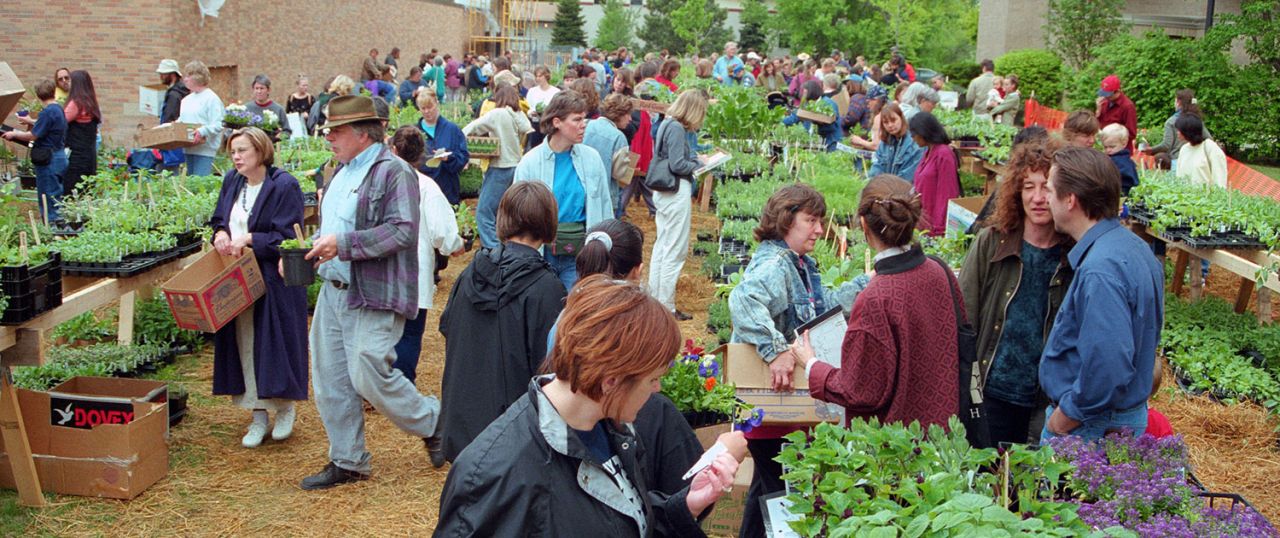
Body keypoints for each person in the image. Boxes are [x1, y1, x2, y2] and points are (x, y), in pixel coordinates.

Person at [435, 276, 744, 538]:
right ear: (611, 381)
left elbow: (614, 521)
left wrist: (684, 506)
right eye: (652, 379)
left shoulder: (607, 429)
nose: (657, 389)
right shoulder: (495, 478)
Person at [300, 95, 444, 489]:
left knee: (366, 372)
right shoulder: (339, 172)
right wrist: (307, 250)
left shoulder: (394, 173)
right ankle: (348, 460)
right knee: (330, 378)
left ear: (363, 134)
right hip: (333, 289)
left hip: (373, 291)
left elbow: (402, 231)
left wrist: (342, 245)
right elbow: (333, 227)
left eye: (336, 131)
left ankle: (433, 421)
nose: (329, 137)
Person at [728, 184, 867, 538]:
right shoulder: (775, 264)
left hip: (781, 410)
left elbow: (820, 308)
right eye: (812, 220)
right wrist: (775, 349)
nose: (820, 230)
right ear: (787, 220)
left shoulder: (799, 264)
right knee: (782, 495)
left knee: (767, 491)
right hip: (773, 408)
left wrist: (866, 285)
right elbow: (742, 302)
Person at [793, 174, 960, 428]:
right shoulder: (940, 271)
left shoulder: (876, 298)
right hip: (946, 436)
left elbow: (859, 391)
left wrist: (812, 364)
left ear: (863, 224)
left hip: (898, 449)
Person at [1039, 147, 1164, 442]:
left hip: (1091, 426)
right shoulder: (1133, 247)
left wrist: (1066, 416)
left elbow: (1108, 364)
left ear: (1070, 200)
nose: (1045, 198)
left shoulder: (1101, 269)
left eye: (1050, 189)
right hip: (1117, 418)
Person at [437, 181, 567, 463]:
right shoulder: (547, 288)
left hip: (463, 425)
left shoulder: (470, 273)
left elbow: (447, 328)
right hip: (513, 438)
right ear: (548, 221)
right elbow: (552, 368)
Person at [958, 139, 1074, 447]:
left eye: (1046, 187)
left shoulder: (1071, 256)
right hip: (988, 391)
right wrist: (970, 394)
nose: (1038, 198)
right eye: (1028, 187)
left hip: (1042, 400)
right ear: (1015, 193)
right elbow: (964, 323)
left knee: (1026, 486)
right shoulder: (992, 242)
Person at [208, 127, 309, 448]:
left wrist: (251, 238)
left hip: (272, 279)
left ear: (261, 152)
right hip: (237, 278)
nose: (236, 157)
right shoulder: (232, 181)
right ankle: (257, 416)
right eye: (233, 151)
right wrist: (220, 234)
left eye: (242, 151)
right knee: (245, 344)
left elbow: (288, 236)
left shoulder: (283, 185)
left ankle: (284, 408)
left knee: (273, 345)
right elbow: (218, 219)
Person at [385, 126, 463, 384]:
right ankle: (401, 387)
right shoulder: (427, 186)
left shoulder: (379, 181)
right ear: (421, 155)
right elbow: (442, 232)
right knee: (408, 333)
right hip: (413, 270)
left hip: (379, 271)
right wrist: (455, 245)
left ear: (393, 150)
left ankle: (375, 386)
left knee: (380, 331)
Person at [514, 90, 613, 291]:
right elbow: (516, 215)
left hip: (580, 255)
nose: (583, 124)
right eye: (577, 119)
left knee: (574, 312)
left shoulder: (592, 159)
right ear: (557, 122)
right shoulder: (530, 163)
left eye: (584, 119)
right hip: (541, 254)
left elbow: (605, 207)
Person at [647, 90, 709, 320]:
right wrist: (698, 163)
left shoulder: (667, 123)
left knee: (663, 246)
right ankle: (667, 306)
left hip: (664, 192)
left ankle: (657, 300)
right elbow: (678, 164)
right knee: (674, 249)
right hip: (675, 191)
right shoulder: (676, 128)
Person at [463, 85, 534, 249]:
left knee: (484, 211)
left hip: (500, 167)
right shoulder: (519, 114)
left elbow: (473, 127)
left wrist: (460, 140)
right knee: (506, 211)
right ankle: (508, 246)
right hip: (516, 166)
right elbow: (528, 130)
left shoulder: (497, 113)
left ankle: (493, 250)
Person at [4, 79, 66, 222]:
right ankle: (59, 225)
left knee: (47, 195)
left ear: (38, 96)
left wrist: (13, 134)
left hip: (48, 159)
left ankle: (51, 227)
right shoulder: (58, 109)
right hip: (59, 156)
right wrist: (30, 121)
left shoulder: (47, 112)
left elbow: (32, 135)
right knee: (56, 194)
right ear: (54, 93)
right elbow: (48, 125)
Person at [907, 112, 960, 236]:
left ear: (923, 132)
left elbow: (946, 193)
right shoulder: (928, 152)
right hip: (923, 221)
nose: (913, 138)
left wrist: (938, 228)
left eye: (914, 134)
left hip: (934, 226)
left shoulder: (943, 154)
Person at [583, 94, 634, 218]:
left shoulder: (585, 124)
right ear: (619, 114)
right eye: (627, 114)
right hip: (605, 196)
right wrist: (631, 166)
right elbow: (621, 175)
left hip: (581, 192)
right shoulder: (618, 137)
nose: (630, 119)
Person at [415, 92, 470, 205]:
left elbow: (463, 156)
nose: (427, 111)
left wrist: (449, 158)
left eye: (430, 107)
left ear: (437, 103)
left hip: (447, 190)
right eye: (423, 108)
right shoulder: (415, 132)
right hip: (421, 191)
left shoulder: (452, 130)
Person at [1143, 89, 1209, 168]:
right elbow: (1209, 139)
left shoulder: (1171, 122)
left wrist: (1151, 150)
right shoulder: (1197, 119)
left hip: (1177, 160)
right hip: (1197, 160)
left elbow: (1166, 145)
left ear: (1178, 102)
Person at [178, 61, 224, 176]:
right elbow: (182, 121)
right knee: (189, 184)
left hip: (205, 150)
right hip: (188, 148)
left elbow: (219, 124)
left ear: (198, 77)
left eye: (188, 76)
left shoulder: (211, 99)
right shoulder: (186, 100)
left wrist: (202, 131)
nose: (185, 79)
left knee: (200, 183)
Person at [61, 70, 100, 195]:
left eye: (70, 80)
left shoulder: (76, 103)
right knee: (86, 190)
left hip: (76, 156)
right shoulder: (91, 103)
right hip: (89, 156)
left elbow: (58, 122)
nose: (67, 83)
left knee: (72, 189)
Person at [868, 103, 924, 181]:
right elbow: (877, 166)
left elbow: (908, 175)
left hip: (905, 189)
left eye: (893, 120)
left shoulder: (914, 143)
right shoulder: (884, 144)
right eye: (886, 122)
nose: (890, 125)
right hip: (884, 188)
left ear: (901, 118)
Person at [783, 80, 842, 152]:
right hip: (814, 142)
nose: (802, 94)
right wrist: (779, 122)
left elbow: (832, 125)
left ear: (812, 91)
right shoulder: (806, 104)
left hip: (831, 141)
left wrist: (819, 123)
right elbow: (795, 117)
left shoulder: (828, 103)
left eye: (805, 92)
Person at [1173, 114, 1227, 189]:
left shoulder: (1210, 148)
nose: (1177, 133)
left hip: (1205, 198)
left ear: (1188, 131)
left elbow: (1219, 179)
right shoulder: (1184, 149)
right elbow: (1179, 176)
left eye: (1179, 130)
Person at [1095, 75, 1137, 151]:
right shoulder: (1104, 102)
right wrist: (1098, 111)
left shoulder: (1127, 106)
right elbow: (1098, 125)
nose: (1106, 97)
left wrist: (1114, 138)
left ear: (1117, 91)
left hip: (1120, 150)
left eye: (1108, 94)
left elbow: (1132, 133)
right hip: (1105, 147)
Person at [1099, 124, 1139, 195]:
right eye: (1105, 147)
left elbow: (1127, 180)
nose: (1108, 150)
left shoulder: (1122, 161)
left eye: (1112, 147)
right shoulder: (1112, 158)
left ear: (1124, 143)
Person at [155, 59, 189, 124]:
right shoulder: (179, 90)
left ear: (173, 75)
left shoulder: (174, 94)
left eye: (164, 74)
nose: (161, 77)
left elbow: (169, 119)